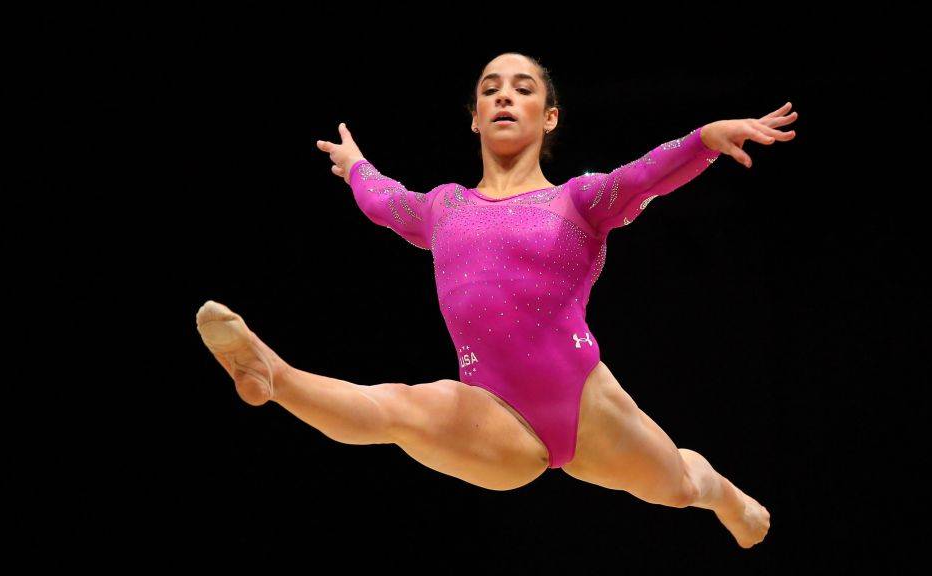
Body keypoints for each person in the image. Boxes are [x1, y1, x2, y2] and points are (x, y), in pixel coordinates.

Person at [197, 52, 796, 548]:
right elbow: (385, 201)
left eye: (523, 88)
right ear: (475, 119)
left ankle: (724, 494)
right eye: (490, 90)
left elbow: (641, 176)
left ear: (550, 116)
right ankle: (271, 375)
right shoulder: (445, 206)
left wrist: (703, 140)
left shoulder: (579, 201)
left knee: (681, 486)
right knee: (400, 410)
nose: (504, 96)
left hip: (586, 403)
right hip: (493, 415)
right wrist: (357, 167)